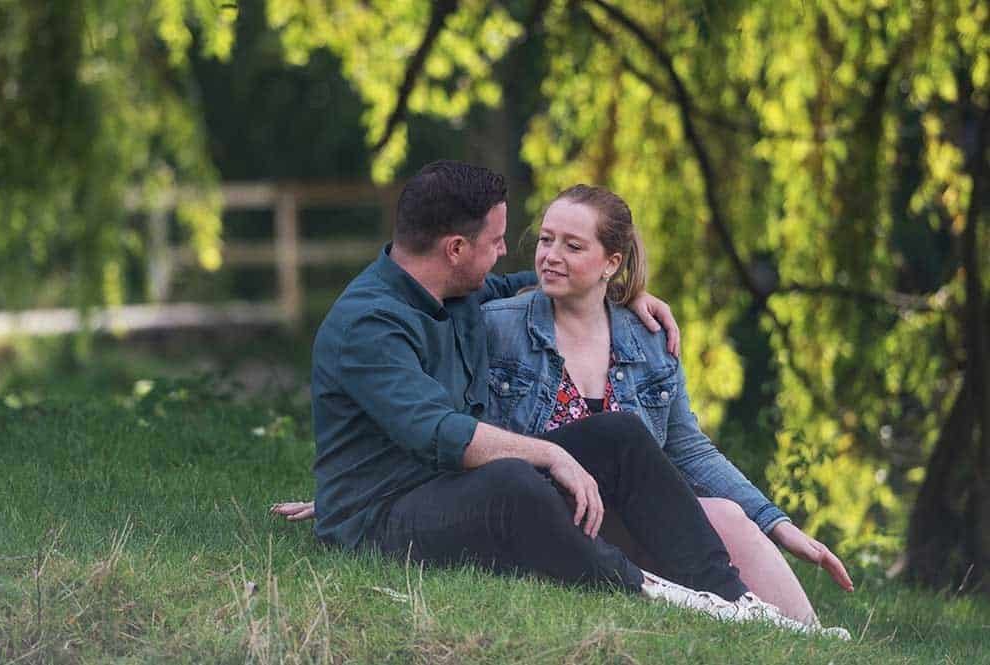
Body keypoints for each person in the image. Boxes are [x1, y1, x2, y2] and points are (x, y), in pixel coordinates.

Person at [272, 161, 849, 638]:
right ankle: (653, 591)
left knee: (621, 432)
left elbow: (529, 285)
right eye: (497, 241)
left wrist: (632, 293)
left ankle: (735, 600)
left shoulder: (455, 293)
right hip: (384, 518)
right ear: (454, 248)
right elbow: (437, 431)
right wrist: (546, 454)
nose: (506, 253)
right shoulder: (369, 325)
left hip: (439, 485)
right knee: (515, 479)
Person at [479, 184, 853, 625]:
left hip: (630, 520)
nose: (550, 255)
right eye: (546, 239)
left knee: (728, 513)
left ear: (611, 263)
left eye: (572, 246)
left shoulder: (649, 338)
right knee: (620, 440)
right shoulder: (497, 327)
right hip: (545, 514)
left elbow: (689, 450)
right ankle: (742, 608)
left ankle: (806, 639)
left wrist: (778, 525)